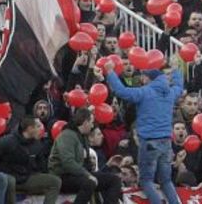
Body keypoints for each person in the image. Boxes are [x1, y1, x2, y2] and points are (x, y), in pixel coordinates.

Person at [103, 59, 184, 204]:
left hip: (149, 143)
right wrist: (176, 71)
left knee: (146, 181)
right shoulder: (170, 93)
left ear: (149, 78)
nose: (142, 78)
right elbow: (179, 86)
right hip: (166, 142)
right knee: (166, 181)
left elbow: (122, 91)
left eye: (144, 76)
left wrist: (110, 72)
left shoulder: (144, 92)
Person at [48, 108, 123, 204]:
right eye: (91, 122)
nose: (92, 126)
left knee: (114, 180)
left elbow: (84, 162)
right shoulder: (67, 136)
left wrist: (90, 170)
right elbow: (68, 163)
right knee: (89, 183)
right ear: (85, 122)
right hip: (62, 176)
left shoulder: (82, 137)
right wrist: (87, 174)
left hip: (77, 175)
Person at [0, 116, 62, 204]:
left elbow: (42, 165)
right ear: (30, 128)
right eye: (38, 126)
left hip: (27, 178)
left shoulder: (37, 143)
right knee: (10, 181)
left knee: (55, 181)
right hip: (9, 178)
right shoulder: (7, 142)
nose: (41, 129)